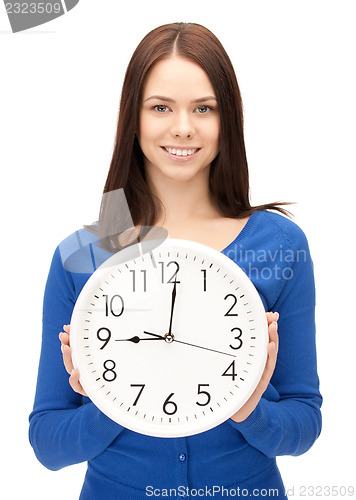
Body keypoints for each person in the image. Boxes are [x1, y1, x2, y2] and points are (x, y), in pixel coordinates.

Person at [29, 22, 322, 499]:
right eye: (161, 107)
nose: (183, 126)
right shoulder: (84, 254)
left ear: (228, 119)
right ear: (133, 119)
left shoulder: (281, 244)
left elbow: (305, 423)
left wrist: (251, 407)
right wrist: (110, 396)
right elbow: (47, 443)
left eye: (203, 108)